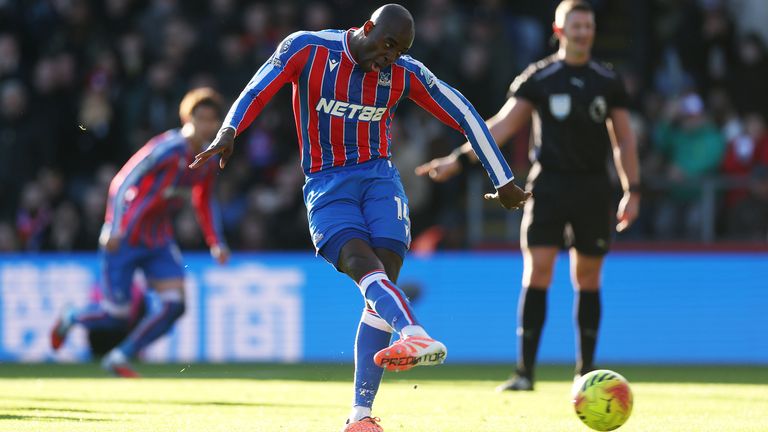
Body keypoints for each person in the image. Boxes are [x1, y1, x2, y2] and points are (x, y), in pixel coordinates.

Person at [189, 4, 530, 431]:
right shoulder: (308, 49)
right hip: (327, 183)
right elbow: (258, 87)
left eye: (400, 50)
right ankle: (414, 332)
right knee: (359, 263)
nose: (390, 57)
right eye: (387, 44)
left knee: (380, 281)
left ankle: (360, 415)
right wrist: (229, 129)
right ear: (367, 28)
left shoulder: (403, 72)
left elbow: (463, 112)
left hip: (380, 179)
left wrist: (502, 178)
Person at [416, 0, 640, 391]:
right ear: (559, 31)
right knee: (537, 270)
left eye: (588, 26)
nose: (583, 32)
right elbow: (501, 126)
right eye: (576, 26)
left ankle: (585, 374)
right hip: (548, 187)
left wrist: (631, 189)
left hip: (592, 189)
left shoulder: (607, 80)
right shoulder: (539, 78)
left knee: (587, 277)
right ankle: (524, 373)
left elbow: (623, 139)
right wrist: (459, 159)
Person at [50, 87, 230, 377]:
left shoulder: (207, 159)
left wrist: (215, 241)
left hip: (158, 240)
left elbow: (204, 200)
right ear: (187, 118)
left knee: (176, 305)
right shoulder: (166, 149)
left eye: (212, 120)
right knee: (116, 314)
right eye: (201, 118)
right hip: (126, 235)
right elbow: (123, 181)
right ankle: (72, 316)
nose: (206, 125)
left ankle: (120, 356)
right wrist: (113, 225)